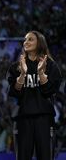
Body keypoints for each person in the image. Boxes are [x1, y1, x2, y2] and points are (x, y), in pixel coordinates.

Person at [7, 30, 61, 160]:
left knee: (46, 157)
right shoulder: (16, 67)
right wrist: (22, 74)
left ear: (40, 43)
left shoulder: (51, 66)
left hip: (44, 118)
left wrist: (41, 74)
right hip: (22, 118)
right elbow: (14, 92)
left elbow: (49, 91)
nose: (26, 42)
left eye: (30, 39)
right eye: (25, 39)